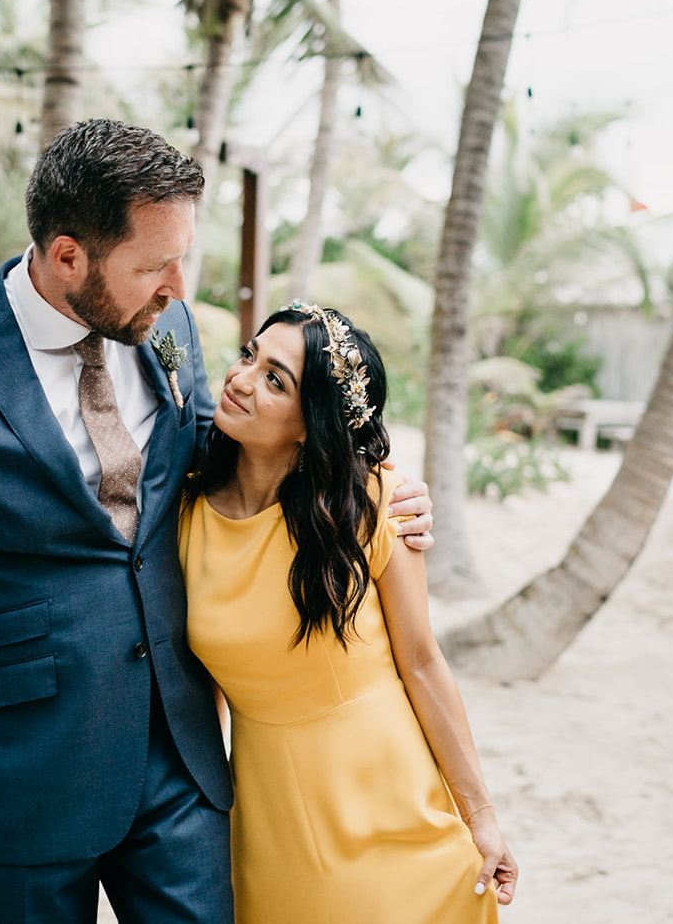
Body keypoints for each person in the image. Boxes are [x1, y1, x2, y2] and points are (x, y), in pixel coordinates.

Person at [0, 119, 435, 924]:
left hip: (178, 763)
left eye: (182, 258)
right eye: (154, 265)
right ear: (68, 254)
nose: (177, 286)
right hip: (20, 778)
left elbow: (230, 451)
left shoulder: (169, 329)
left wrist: (367, 487)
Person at [179, 302, 517, 924]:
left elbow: (421, 662)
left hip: (387, 805)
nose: (243, 379)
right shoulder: (185, 514)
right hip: (266, 815)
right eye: (250, 355)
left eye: (276, 380)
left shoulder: (372, 506)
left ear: (312, 422)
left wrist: (483, 818)